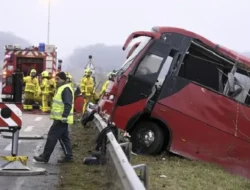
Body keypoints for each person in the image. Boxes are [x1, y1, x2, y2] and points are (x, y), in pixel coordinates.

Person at [33, 71, 74, 163]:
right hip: (59, 119)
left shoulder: (65, 89)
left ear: (63, 79)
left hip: (61, 119)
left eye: (58, 79)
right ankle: (68, 157)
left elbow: (68, 104)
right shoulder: (61, 88)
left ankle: (45, 157)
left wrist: (64, 116)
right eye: (55, 79)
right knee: (63, 138)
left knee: (52, 136)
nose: (56, 81)